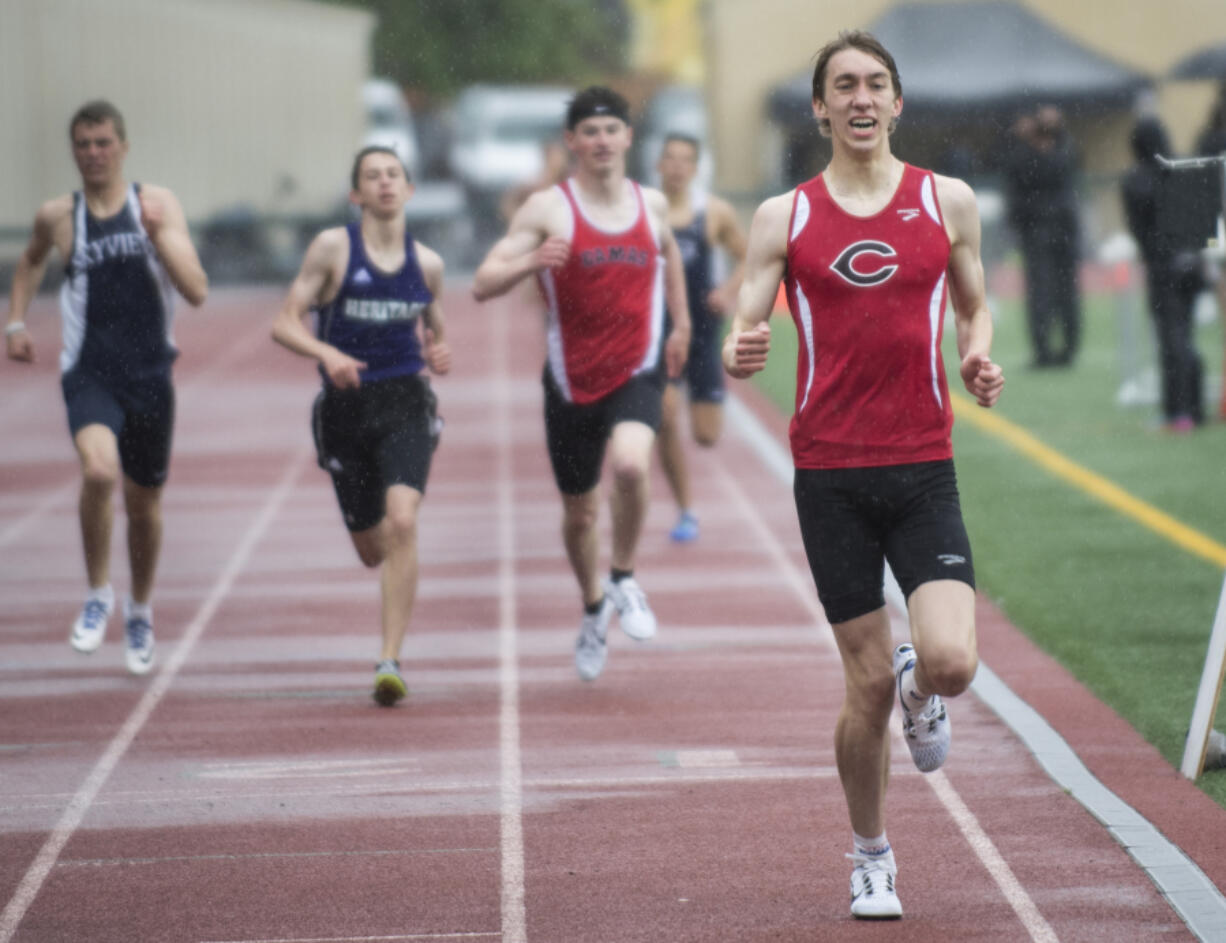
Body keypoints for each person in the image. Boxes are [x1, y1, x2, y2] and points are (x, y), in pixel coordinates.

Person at [721, 32, 1004, 919]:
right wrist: (741, 342)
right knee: (864, 683)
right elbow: (747, 308)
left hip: (924, 463)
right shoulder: (786, 215)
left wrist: (978, 353)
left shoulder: (946, 200)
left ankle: (924, 688)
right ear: (819, 107)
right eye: (842, 85)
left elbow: (974, 299)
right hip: (831, 472)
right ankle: (871, 854)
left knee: (950, 662)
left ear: (897, 102)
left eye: (875, 83)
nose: (860, 98)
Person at [472, 86, 690, 682]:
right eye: (588, 132)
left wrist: (683, 325)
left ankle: (623, 578)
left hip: (637, 367)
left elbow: (668, 259)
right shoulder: (549, 209)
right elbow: (483, 281)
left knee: (630, 466)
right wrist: (531, 261)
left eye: (611, 130)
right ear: (572, 141)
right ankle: (594, 606)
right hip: (570, 381)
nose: (600, 141)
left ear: (627, 138)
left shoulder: (652, 204)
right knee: (579, 515)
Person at [4, 100, 208, 675]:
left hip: (151, 376)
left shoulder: (159, 205)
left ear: (123, 146)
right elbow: (28, 262)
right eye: (83, 144)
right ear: (73, 151)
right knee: (98, 471)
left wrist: (160, 236)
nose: (93, 153)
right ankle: (99, 595)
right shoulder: (59, 216)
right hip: (89, 373)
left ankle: (139, 609)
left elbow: (196, 289)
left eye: (102, 143)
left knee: (144, 508)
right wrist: (15, 322)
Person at [271, 145, 451, 706]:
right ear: (356, 194)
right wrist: (326, 352)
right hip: (345, 411)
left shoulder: (428, 264)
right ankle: (388, 645)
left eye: (393, 174)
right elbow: (283, 322)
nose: (384, 183)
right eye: (372, 176)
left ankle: (389, 660)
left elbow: (435, 329)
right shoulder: (332, 249)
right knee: (372, 548)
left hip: (405, 403)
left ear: (409, 189)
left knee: (403, 521)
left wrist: (439, 351)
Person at [653, 133, 747, 542]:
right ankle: (686, 510)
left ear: (695, 168)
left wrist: (727, 292)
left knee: (706, 436)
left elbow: (750, 255)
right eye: (669, 158)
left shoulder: (713, 213)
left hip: (705, 333)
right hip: (658, 333)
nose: (675, 167)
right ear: (659, 164)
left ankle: (688, 505)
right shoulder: (643, 211)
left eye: (684, 160)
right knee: (665, 416)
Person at [1121, 116, 1204, 430]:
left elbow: (1138, 231)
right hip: (1192, 267)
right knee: (1187, 337)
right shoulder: (1184, 170)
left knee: (1171, 342)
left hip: (1163, 271)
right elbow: (1202, 224)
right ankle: (1194, 408)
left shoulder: (1135, 180)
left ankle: (1178, 412)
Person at [1002, 104, 1082, 367]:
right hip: (1050, 231)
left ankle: (1052, 350)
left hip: (1043, 232)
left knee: (1048, 293)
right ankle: (1058, 349)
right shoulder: (1058, 152)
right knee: (1055, 292)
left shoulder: (1030, 155)